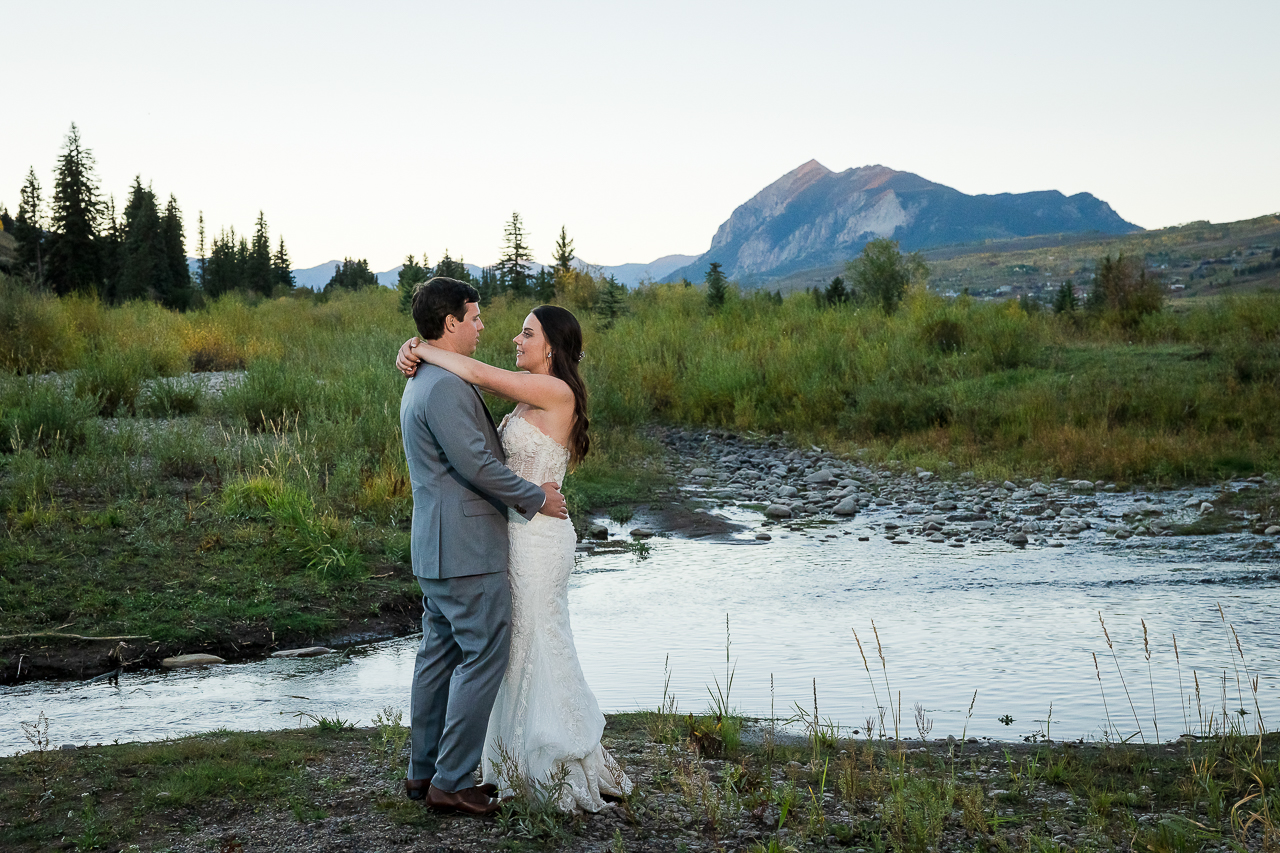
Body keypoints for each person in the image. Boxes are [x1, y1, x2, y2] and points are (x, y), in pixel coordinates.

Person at [396, 303, 633, 813]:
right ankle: (502, 762)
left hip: (539, 538)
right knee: (507, 650)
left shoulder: (555, 391)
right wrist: (416, 348)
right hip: (506, 537)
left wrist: (421, 347)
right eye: (513, 331)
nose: (513, 338)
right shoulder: (525, 400)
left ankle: (549, 755)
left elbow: (478, 374)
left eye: (527, 333)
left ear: (551, 346)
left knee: (535, 641)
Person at [399, 278, 569, 816]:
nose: (482, 327)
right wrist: (533, 499)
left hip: (438, 546)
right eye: (475, 318)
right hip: (468, 548)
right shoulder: (444, 385)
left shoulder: (424, 377)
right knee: (484, 655)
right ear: (450, 323)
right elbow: (475, 463)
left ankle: (421, 772)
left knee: (438, 658)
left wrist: (413, 347)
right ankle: (449, 781)